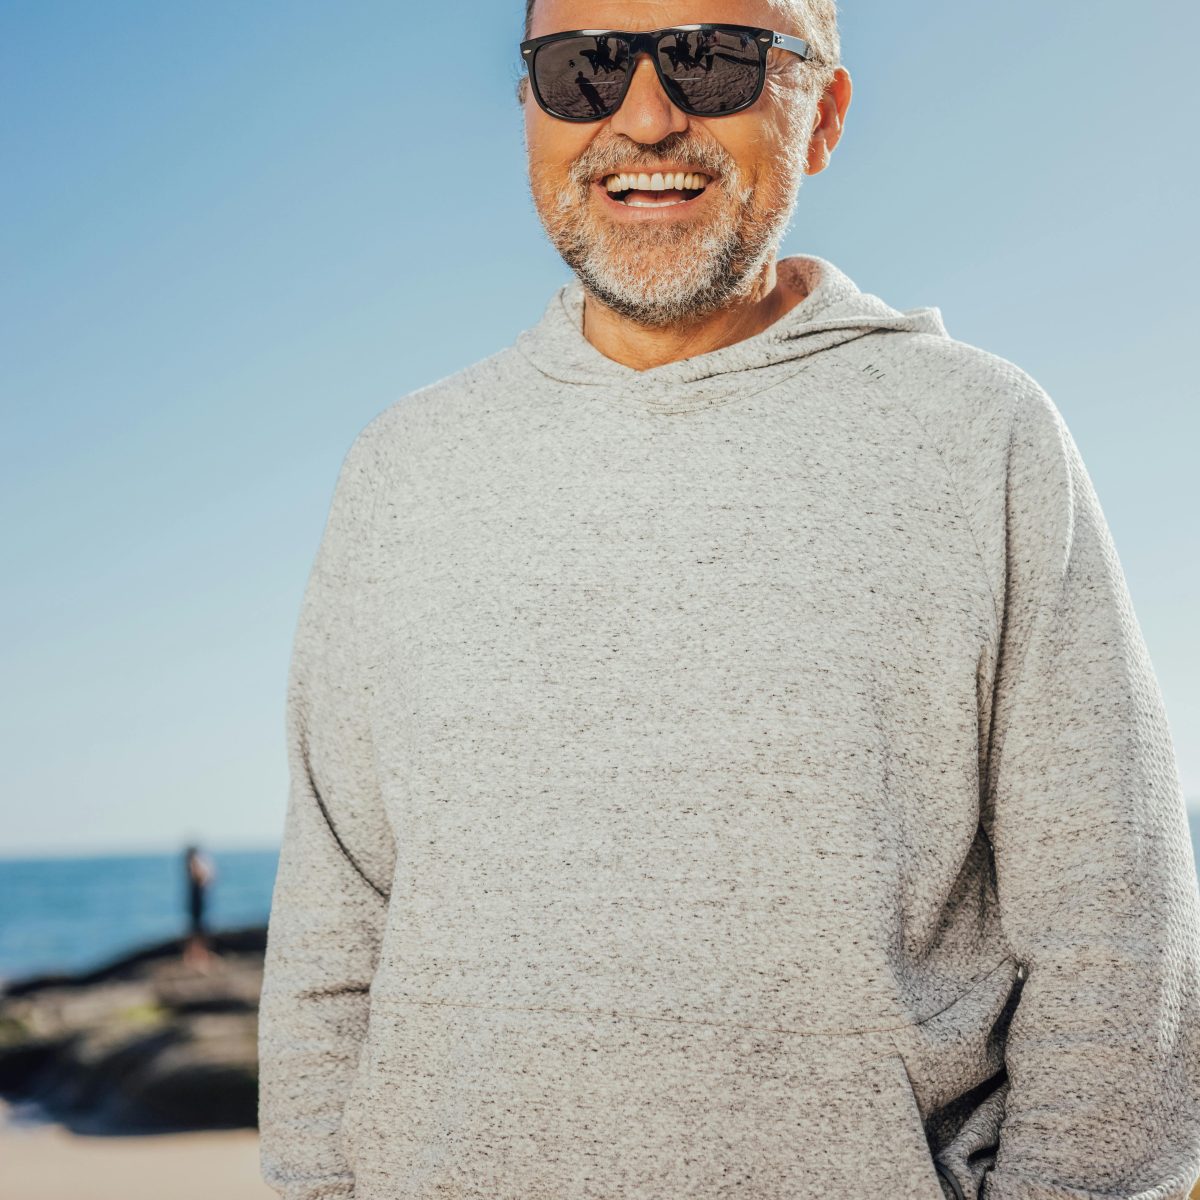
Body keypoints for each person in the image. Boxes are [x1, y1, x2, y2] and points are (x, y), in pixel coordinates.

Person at [257, 3, 1200, 1199]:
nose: (645, 117)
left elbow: (1118, 936)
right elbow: (333, 944)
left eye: (713, 58)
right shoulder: (400, 469)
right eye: (584, 66)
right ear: (528, 110)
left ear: (825, 114)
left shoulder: (981, 438)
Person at [182, 843, 217, 969]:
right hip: (196, 901)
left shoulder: (190, 864)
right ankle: (196, 955)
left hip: (195, 901)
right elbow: (203, 878)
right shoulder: (192, 864)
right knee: (197, 929)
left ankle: (196, 955)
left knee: (196, 928)